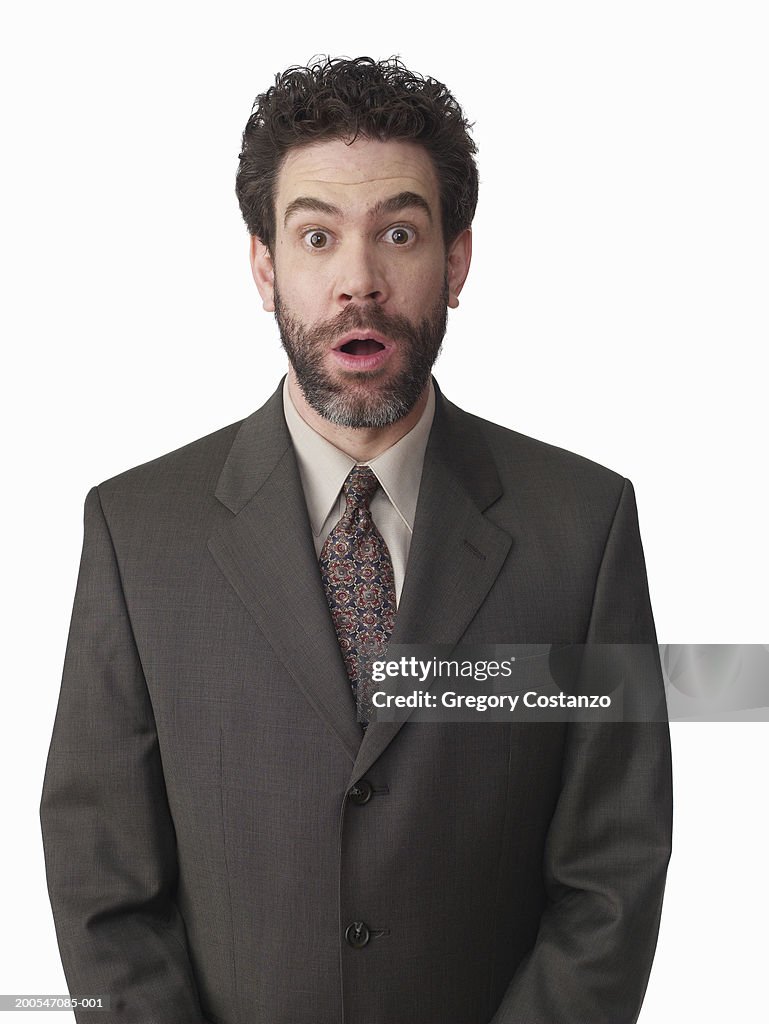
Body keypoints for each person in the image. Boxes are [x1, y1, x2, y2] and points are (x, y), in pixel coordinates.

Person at [40, 56, 673, 1024]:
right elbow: (102, 879)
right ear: (264, 265)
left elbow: (612, 869)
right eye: (316, 236)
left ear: (456, 261)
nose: (358, 281)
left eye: (399, 233)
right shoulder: (138, 530)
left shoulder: (581, 524)